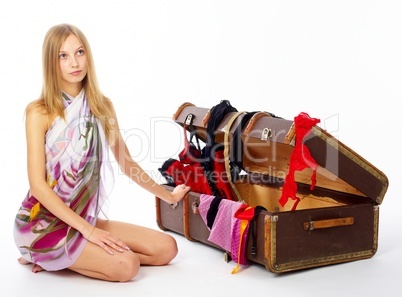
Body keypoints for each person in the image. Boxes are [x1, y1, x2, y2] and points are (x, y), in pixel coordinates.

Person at [13, 23, 190, 282]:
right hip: (41, 224)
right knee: (126, 266)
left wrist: (169, 196)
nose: (74, 62)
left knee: (167, 249)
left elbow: (127, 164)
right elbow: (38, 186)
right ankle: (45, 253)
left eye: (80, 52)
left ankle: (63, 256)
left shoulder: (103, 106)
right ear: (52, 62)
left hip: (81, 218)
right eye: (63, 55)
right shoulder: (39, 112)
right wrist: (90, 233)